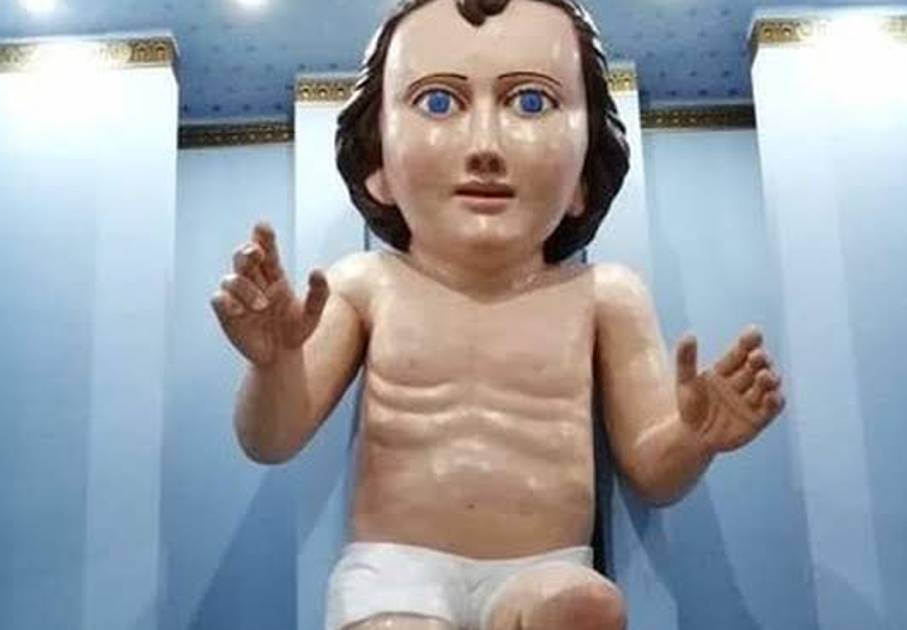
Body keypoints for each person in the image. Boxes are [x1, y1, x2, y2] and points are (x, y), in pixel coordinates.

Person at [210, 0, 785, 628]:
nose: (485, 146)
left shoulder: (605, 296)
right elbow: (272, 439)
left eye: (531, 102)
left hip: (545, 570)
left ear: (583, 176)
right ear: (378, 165)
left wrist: (693, 439)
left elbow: (653, 470)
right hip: (395, 573)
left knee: (587, 606)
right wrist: (274, 365)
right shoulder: (364, 285)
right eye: (437, 102)